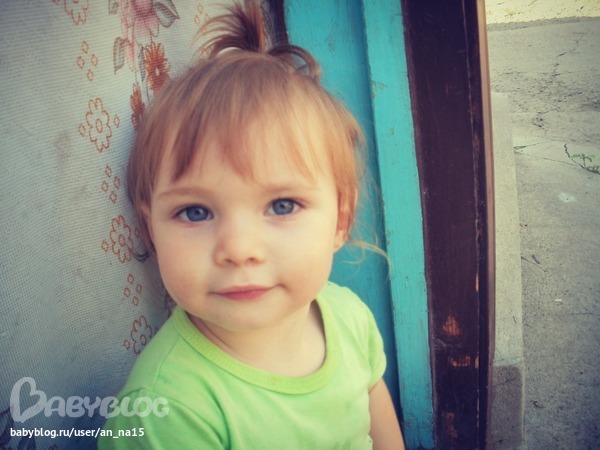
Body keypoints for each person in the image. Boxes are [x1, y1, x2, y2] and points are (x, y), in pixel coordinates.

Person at [98, 1, 405, 448]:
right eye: (195, 212)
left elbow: (375, 408)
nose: (239, 250)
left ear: (340, 221)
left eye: (282, 205)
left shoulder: (348, 317)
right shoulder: (167, 412)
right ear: (151, 232)